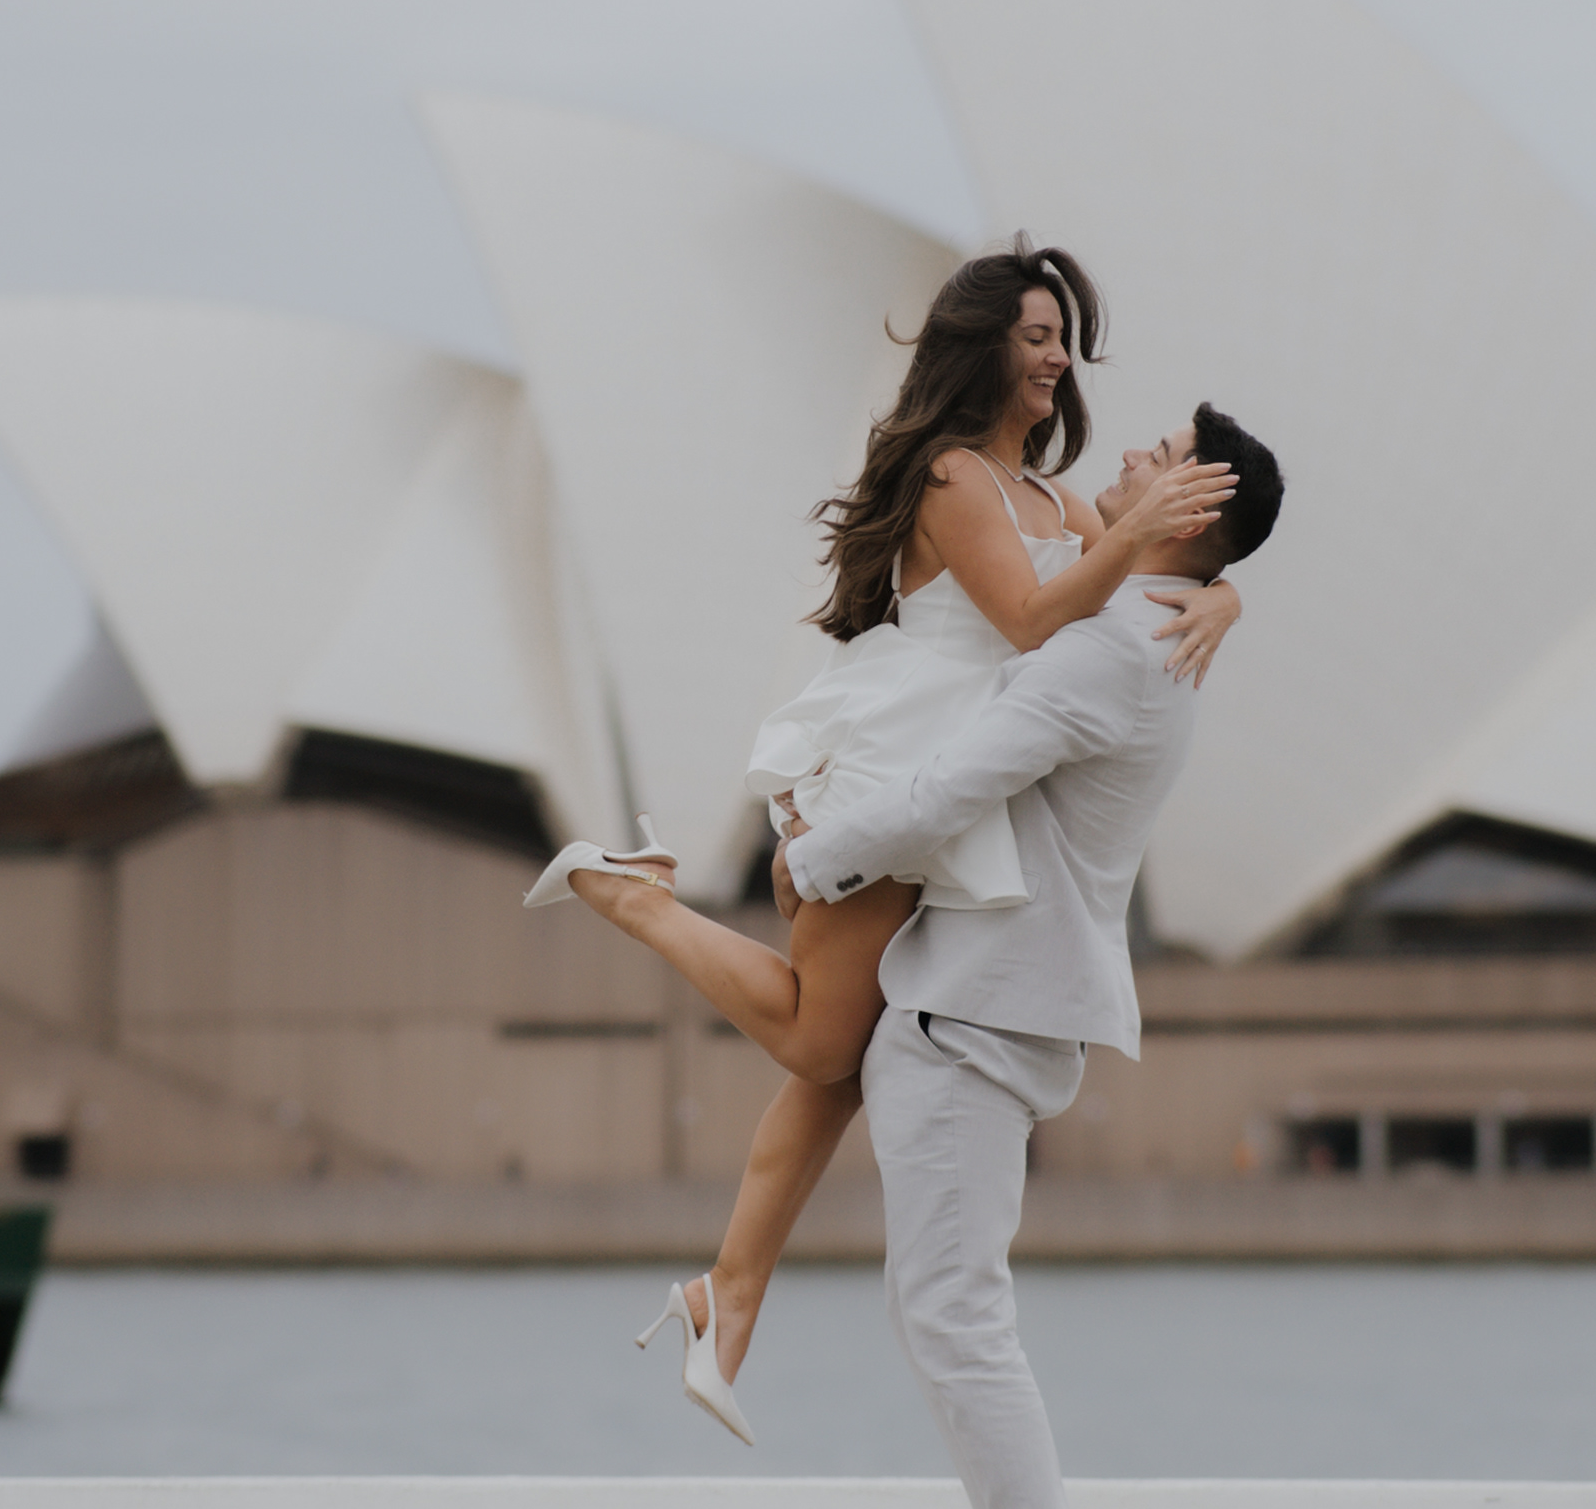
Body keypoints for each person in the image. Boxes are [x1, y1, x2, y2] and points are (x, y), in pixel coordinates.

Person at [524, 243, 1241, 1442]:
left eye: (1064, 339)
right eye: (1035, 336)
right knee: (822, 1040)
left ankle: (727, 1294)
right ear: (983, 349)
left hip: (953, 786)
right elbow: (1029, 617)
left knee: (843, 1056)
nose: (1057, 358)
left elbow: (1128, 587)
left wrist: (1222, 589)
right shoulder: (955, 474)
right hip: (893, 768)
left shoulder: (1058, 502)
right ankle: (632, 895)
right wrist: (1138, 542)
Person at [781, 397, 1285, 1509]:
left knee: (953, 1312)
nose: (1131, 453)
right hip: (998, 1007)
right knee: (948, 1307)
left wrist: (818, 856)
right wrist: (1229, 592)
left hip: (974, 1014)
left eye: (1162, 458)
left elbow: (957, 782)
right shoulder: (1150, 623)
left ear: (1193, 510)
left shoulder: (1110, 649)